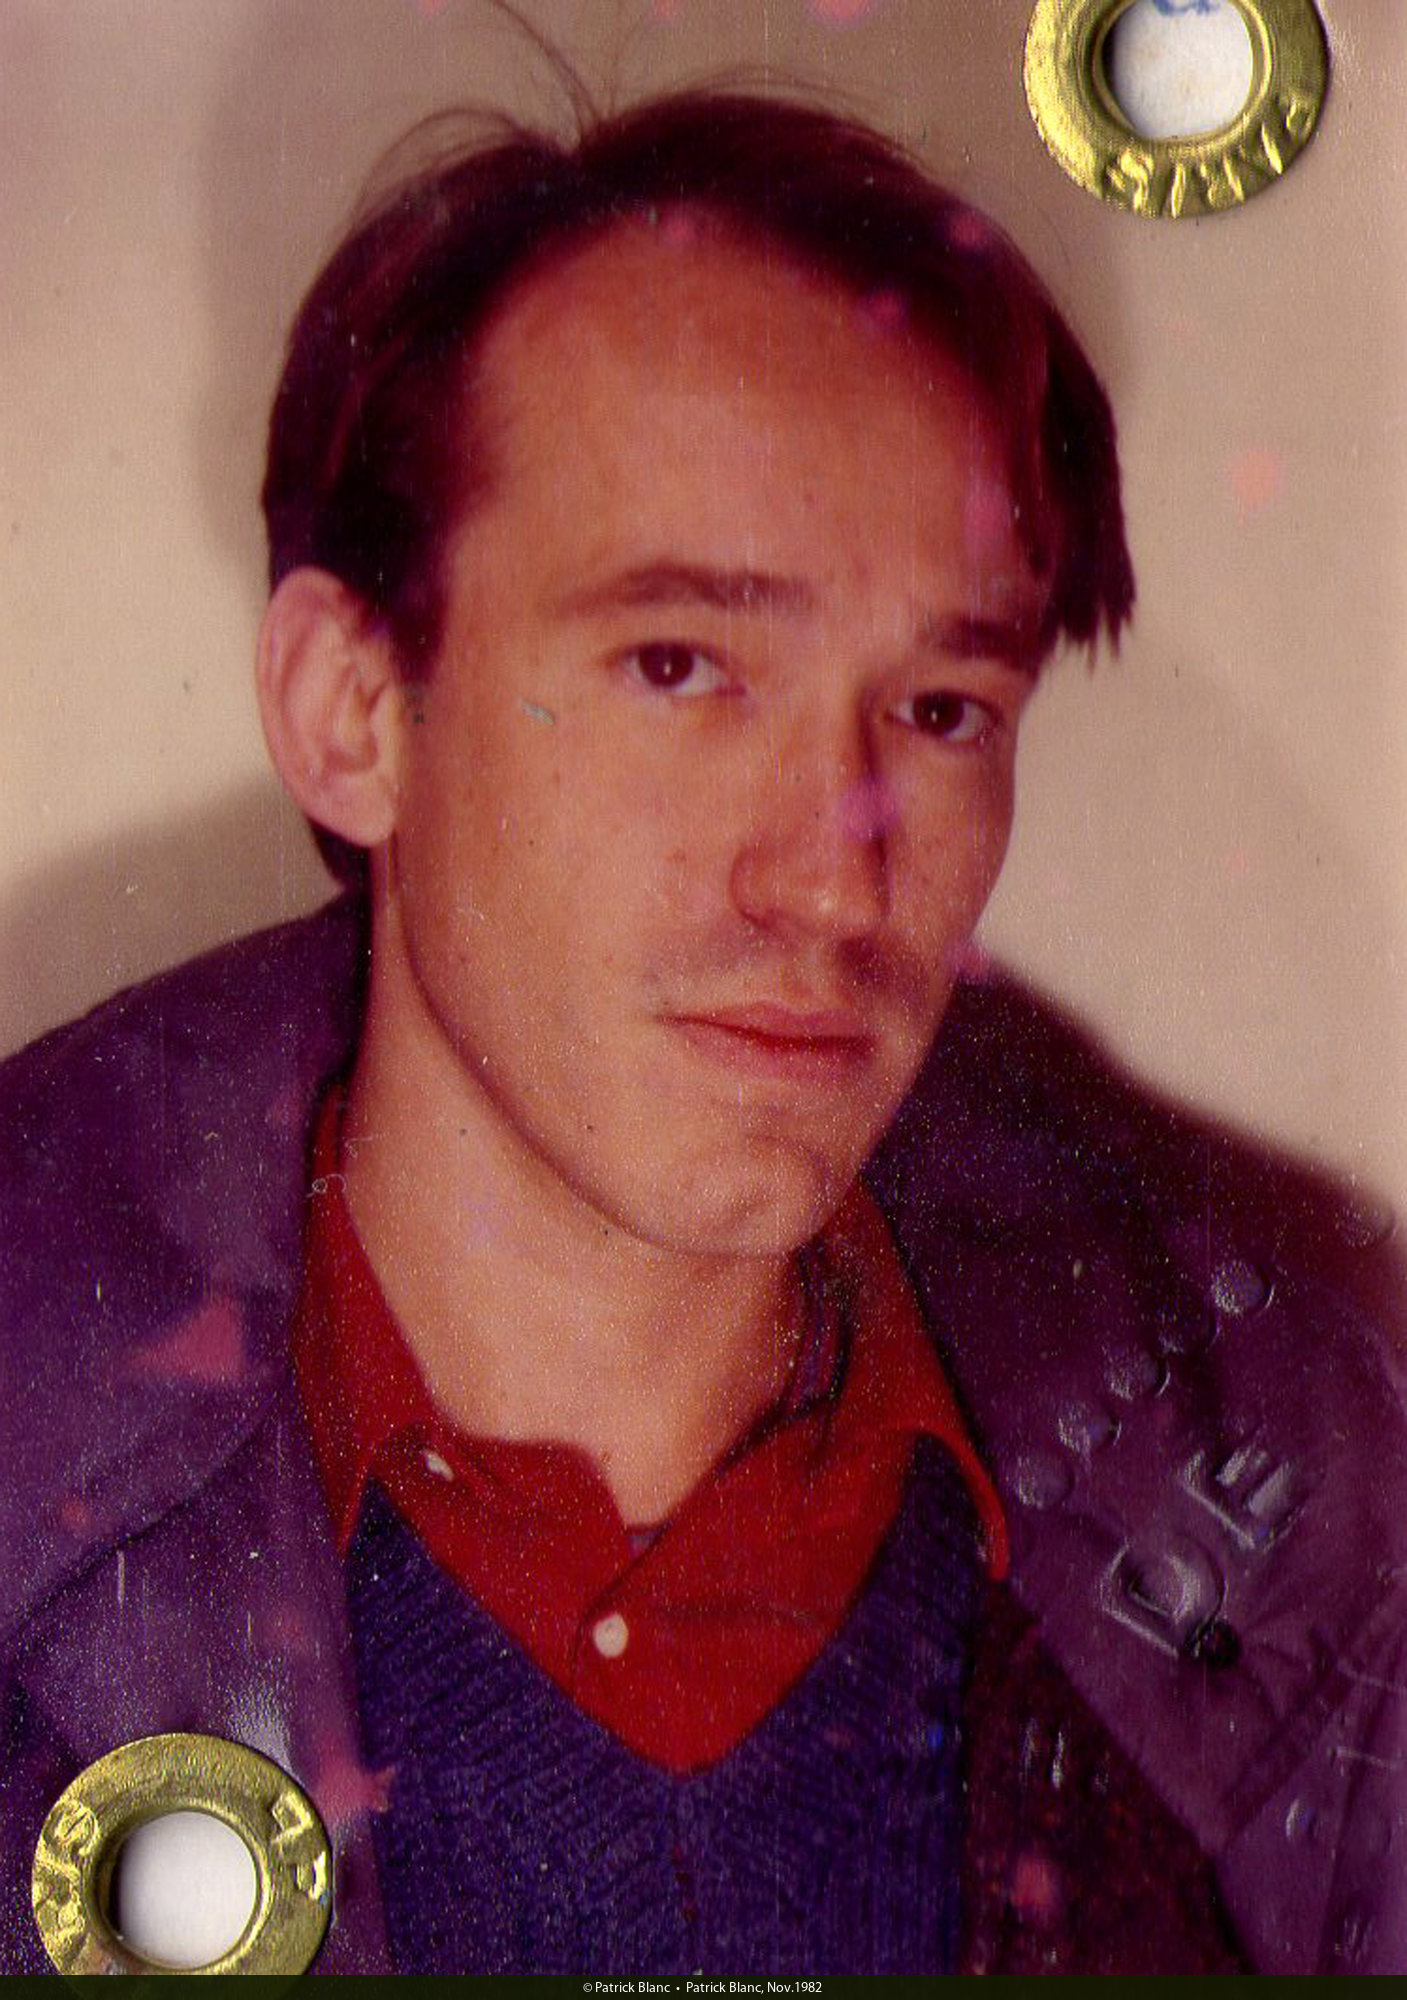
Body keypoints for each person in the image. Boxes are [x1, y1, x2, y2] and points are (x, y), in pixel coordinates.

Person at [3, 84, 1399, 1975]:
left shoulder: (1336, 1529)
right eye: (680, 668)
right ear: (353, 712)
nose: (834, 878)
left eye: (942, 711)